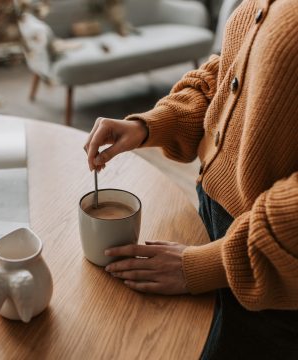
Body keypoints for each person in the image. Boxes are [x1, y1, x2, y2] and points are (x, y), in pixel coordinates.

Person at [84, 0, 298, 359]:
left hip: (273, 271)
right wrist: (150, 124)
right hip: (212, 219)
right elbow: (231, 69)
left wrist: (210, 266)